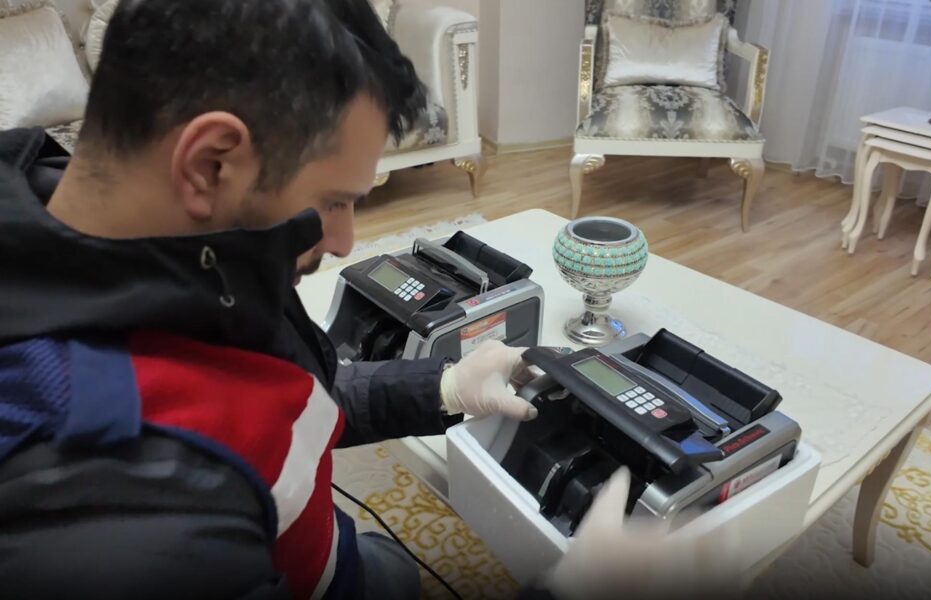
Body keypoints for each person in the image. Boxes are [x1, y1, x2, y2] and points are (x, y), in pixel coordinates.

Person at [0, 1, 711, 599]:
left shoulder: (181, 250)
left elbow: (285, 397)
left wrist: (444, 385)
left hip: (322, 551)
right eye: (333, 201)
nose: (342, 241)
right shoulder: (122, 524)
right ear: (210, 162)